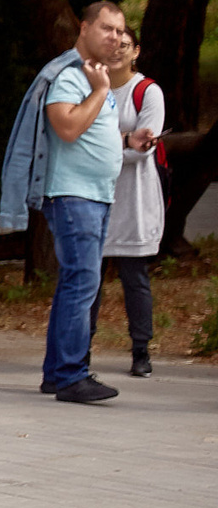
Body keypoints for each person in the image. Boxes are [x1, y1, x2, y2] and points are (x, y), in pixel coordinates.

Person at [39, 1, 131, 403]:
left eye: (120, 31)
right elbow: (68, 126)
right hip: (75, 195)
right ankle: (72, 374)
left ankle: (57, 373)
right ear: (85, 27)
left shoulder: (93, 75)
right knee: (83, 282)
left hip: (94, 196)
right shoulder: (71, 74)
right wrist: (101, 91)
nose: (116, 38)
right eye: (107, 29)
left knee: (75, 283)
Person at [98, 29, 164, 378]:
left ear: (136, 51)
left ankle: (141, 351)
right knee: (89, 278)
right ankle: (81, 348)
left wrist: (104, 147)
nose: (117, 51)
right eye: (112, 44)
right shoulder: (93, 86)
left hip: (135, 198)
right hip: (96, 194)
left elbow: (142, 152)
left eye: (125, 45)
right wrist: (122, 142)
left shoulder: (147, 92)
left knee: (134, 276)